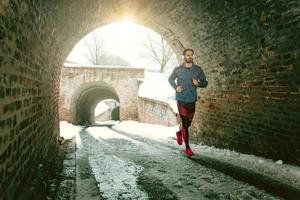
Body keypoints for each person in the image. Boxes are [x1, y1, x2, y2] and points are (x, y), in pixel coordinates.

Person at [168, 48, 208, 157]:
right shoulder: (177, 69)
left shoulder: (198, 70)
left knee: (188, 124)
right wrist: (176, 88)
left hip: (192, 99)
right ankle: (187, 148)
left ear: (193, 56)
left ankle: (179, 133)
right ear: (183, 56)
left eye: (191, 55)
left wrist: (198, 83)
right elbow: (170, 79)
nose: (189, 56)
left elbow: (205, 83)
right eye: (187, 55)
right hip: (181, 99)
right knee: (185, 124)